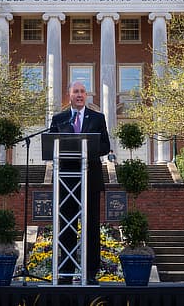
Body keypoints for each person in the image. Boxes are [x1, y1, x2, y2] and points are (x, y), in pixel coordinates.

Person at [49, 81, 110, 285]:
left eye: (83, 92)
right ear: (69, 95)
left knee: (91, 226)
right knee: (66, 227)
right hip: (66, 180)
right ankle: (65, 271)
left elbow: (105, 145)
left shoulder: (98, 118)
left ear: (87, 96)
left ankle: (91, 273)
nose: (80, 95)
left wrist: (87, 146)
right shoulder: (59, 119)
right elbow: (51, 145)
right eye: (76, 92)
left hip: (90, 179)